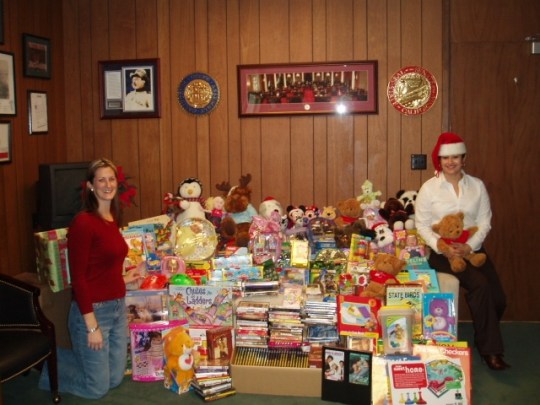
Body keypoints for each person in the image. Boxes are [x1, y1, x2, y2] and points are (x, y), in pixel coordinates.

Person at [39, 158, 143, 398]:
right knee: (97, 389)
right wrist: (92, 326)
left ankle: (77, 362)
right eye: (101, 180)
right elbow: (79, 278)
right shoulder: (84, 223)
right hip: (92, 313)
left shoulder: (112, 217)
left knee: (115, 379)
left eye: (111, 179)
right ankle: (47, 363)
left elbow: (103, 268)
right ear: (90, 186)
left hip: (117, 309)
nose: (108, 185)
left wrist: (125, 279)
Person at [415, 132, 509, 371]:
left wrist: (469, 246)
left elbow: (485, 221)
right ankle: (491, 351)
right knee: (480, 285)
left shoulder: (477, 186)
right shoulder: (429, 188)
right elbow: (422, 225)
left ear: (463, 159)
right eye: (446, 157)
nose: (451, 162)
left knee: (499, 299)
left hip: (471, 248)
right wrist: (443, 247)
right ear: (440, 160)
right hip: (442, 253)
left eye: (456, 157)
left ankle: (484, 332)